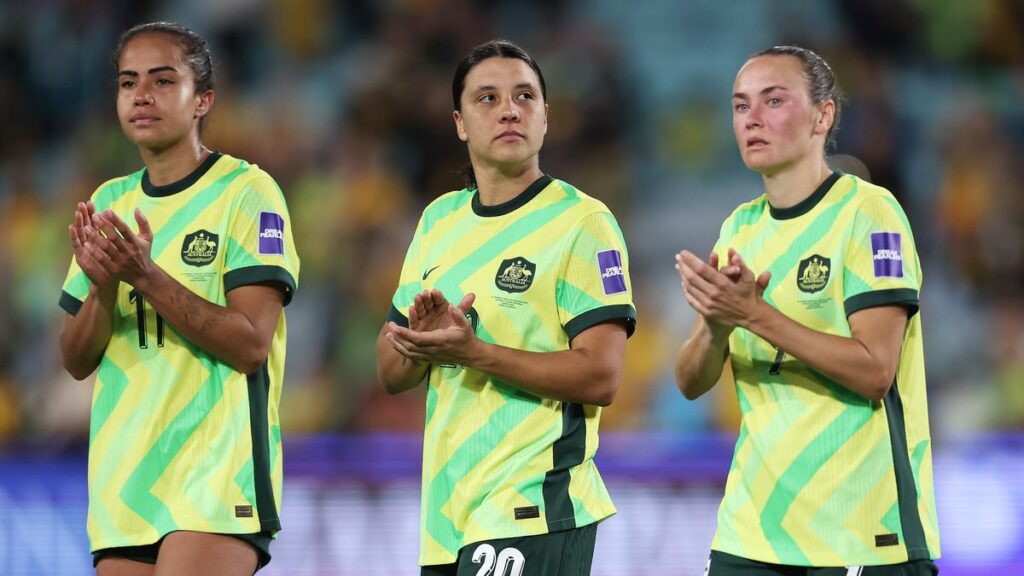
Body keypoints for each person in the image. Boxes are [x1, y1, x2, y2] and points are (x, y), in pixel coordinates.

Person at [674, 46, 940, 575]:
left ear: (823, 116)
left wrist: (755, 315)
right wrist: (716, 325)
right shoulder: (739, 228)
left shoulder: (870, 213)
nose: (752, 118)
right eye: (740, 105)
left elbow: (875, 371)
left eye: (773, 101)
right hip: (751, 532)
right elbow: (689, 381)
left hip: (858, 530)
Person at [376, 39, 636, 576]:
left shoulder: (583, 223)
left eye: (524, 96)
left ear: (546, 116)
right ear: (460, 123)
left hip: (533, 503)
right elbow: (391, 372)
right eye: (487, 98)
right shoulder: (438, 221)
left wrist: (474, 353)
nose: (509, 110)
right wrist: (419, 341)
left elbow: (602, 376)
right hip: (447, 518)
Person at [58, 22, 299, 575]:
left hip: (215, 471)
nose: (141, 95)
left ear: (203, 100)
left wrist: (145, 276)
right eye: (128, 82)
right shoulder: (110, 200)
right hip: (125, 479)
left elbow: (251, 345)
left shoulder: (247, 192)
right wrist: (105, 286)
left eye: (163, 81)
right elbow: (74, 359)